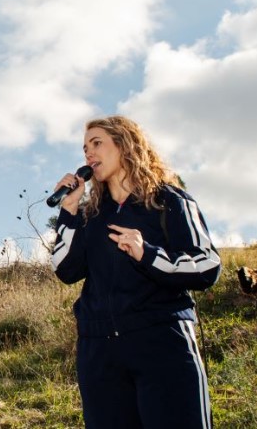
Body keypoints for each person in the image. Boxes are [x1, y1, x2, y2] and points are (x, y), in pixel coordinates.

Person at [51, 116, 221, 429]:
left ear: (125, 145)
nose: (88, 153)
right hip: (99, 351)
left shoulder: (169, 200)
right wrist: (69, 211)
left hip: (161, 341)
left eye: (97, 143)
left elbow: (207, 264)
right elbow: (65, 269)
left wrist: (148, 254)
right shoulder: (91, 216)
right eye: (85, 148)